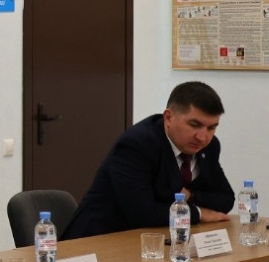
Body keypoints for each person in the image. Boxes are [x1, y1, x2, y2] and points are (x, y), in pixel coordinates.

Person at [61, 81, 231, 240]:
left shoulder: (209, 147)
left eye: (211, 128)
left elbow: (226, 200)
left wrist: (191, 196)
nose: (202, 137)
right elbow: (143, 212)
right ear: (169, 118)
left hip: (156, 237)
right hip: (99, 238)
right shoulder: (137, 144)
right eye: (194, 125)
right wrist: (199, 213)